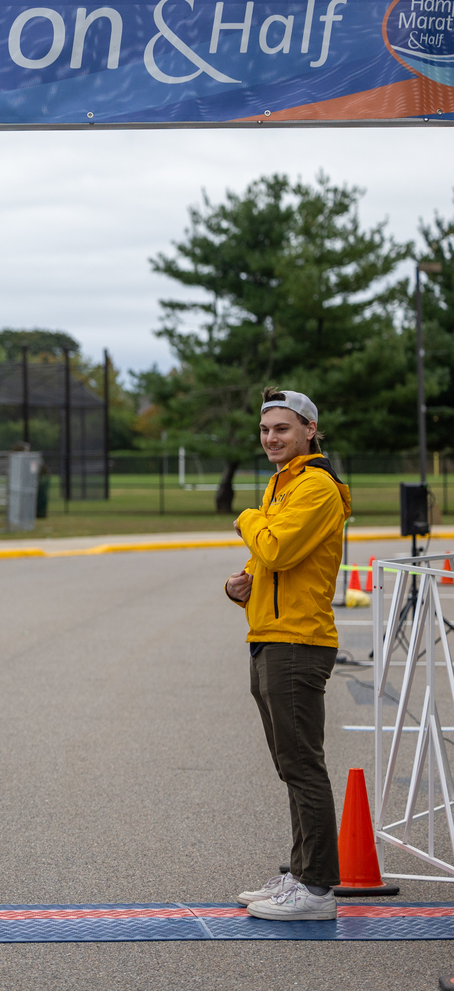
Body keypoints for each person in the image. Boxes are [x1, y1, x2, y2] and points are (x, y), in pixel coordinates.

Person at [226, 389, 350, 922]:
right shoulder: (283, 488)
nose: (271, 438)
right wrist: (242, 584)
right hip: (271, 636)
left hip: (299, 643)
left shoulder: (315, 487)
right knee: (289, 765)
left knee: (303, 766)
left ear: (310, 431)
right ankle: (300, 874)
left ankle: (318, 889)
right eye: (265, 430)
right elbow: (268, 564)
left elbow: (275, 546)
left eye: (283, 428)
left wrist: (246, 518)